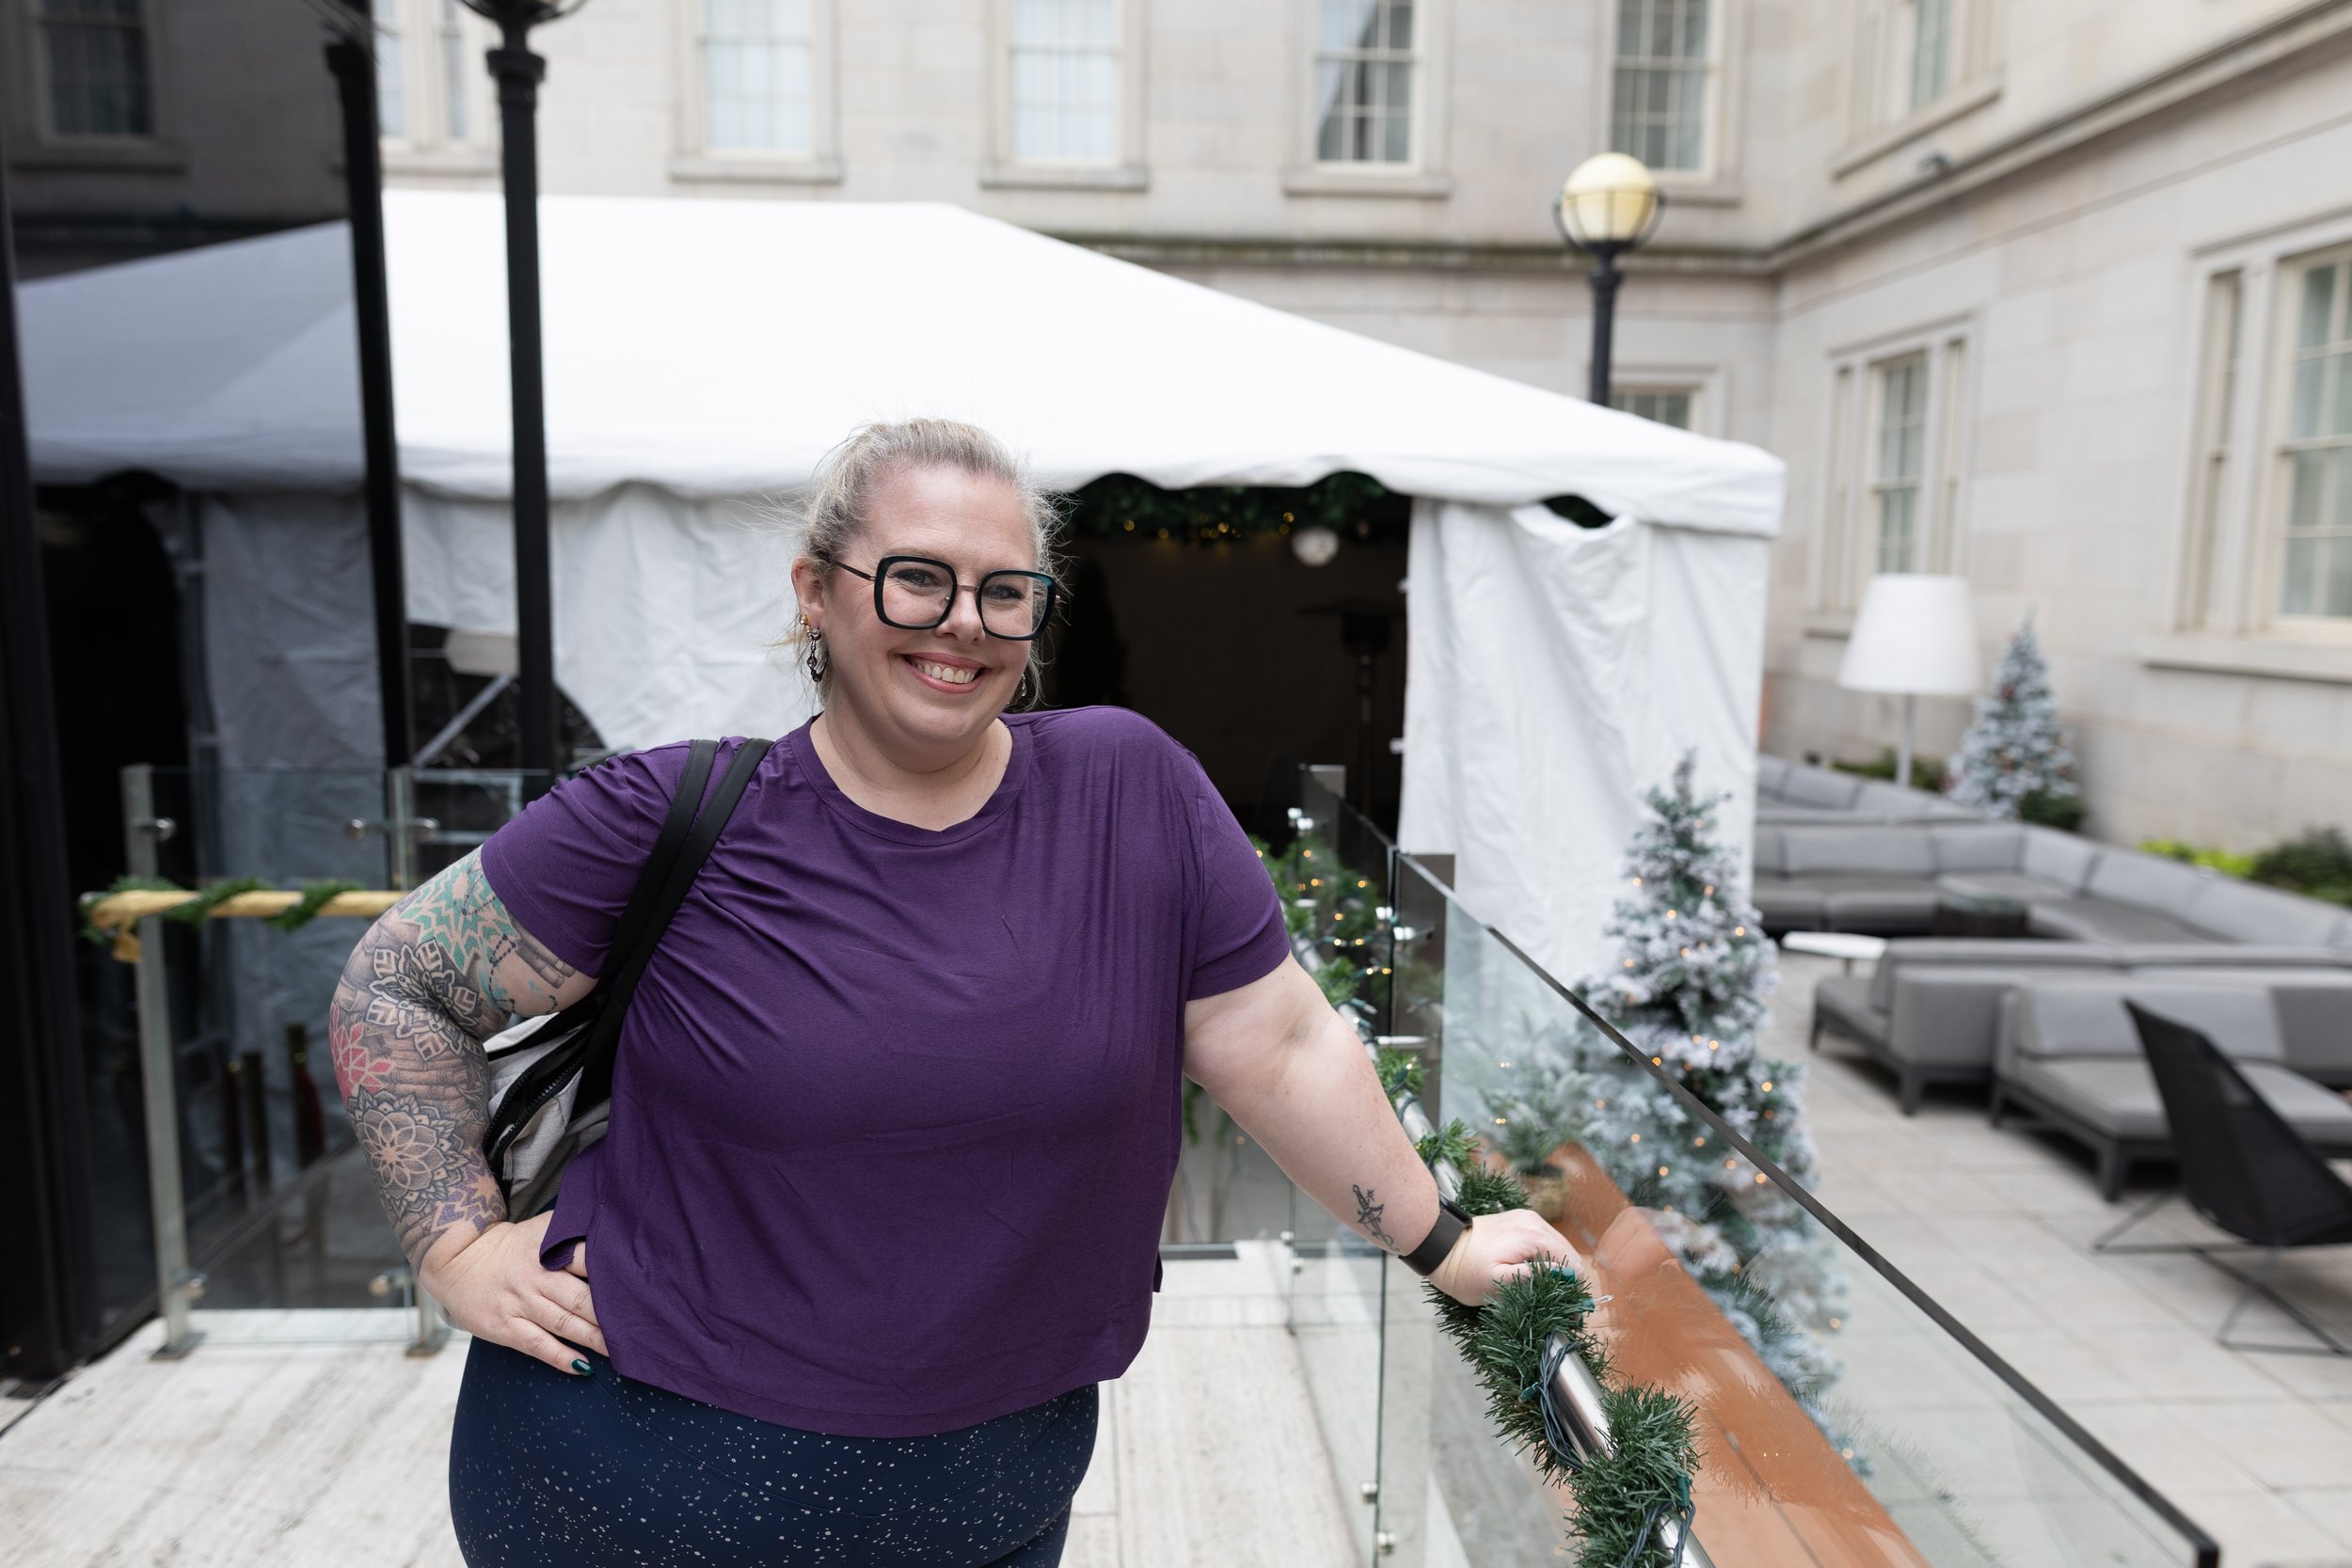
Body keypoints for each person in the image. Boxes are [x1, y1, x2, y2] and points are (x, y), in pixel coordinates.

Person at [328, 419, 1579, 1567]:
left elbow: (1285, 1045)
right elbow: (396, 986)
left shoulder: (1129, 793)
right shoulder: (670, 816)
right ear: (817, 592)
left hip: (995, 1495)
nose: (962, 621)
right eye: (917, 576)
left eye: (1005, 590)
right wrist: (454, 1244)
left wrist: (1445, 1243)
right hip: (633, 1482)